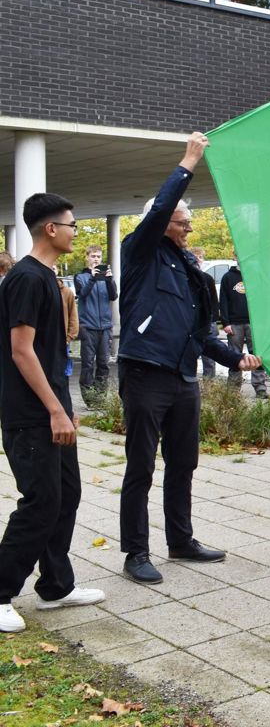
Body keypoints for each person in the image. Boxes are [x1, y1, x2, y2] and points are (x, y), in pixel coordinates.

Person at [117, 133, 261, 585]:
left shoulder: (190, 269)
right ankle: (135, 552)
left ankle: (180, 540)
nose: (188, 229)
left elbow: (199, 331)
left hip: (182, 378)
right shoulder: (140, 252)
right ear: (162, 224)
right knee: (141, 465)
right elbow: (161, 208)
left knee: (184, 463)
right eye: (183, 223)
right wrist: (188, 162)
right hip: (145, 374)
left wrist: (235, 358)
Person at [0, 194, 106, 634]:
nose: (75, 232)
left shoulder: (46, 278)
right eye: (72, 225)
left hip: (52, 411)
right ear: (50, 229)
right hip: (29, 416)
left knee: (66, 494)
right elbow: (21, 351)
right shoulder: (25, 279)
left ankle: (56, 585)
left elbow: (49, 353)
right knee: (41, 501)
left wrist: (66, 409)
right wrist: (54, 411)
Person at [218, 258, 268, 398]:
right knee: (234, 356)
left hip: (254, 323)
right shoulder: (228, 277)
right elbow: (223, 301)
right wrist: (225, 323)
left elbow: (262, 299)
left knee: (257, 355)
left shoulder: (255, 275)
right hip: (234, 324)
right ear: (234, 257)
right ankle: (233, 391)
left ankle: (260, 389)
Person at [74, 244, 118, 403]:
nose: (96, 259)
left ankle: (100, 398)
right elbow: (82, 295)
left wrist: (109, 279)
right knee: (87, 364)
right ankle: (89, 399)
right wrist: (92, 278)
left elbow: (113, 296)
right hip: (88, 326)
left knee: (103, 364)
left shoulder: (105, 278)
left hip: (105, 327)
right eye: (93, 256)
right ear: (87, 257)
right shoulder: (80, 277)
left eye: (98, 257)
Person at [189, 248, 220, 379]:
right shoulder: (185, 277)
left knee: (209, 356)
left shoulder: (207, 278)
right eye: (195, 257)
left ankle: (209, 384)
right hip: (190, 320)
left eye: (200, 257)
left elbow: (214, 301)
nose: (198, 260)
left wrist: (213, 320)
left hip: (207, 321)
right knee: (190, 354)